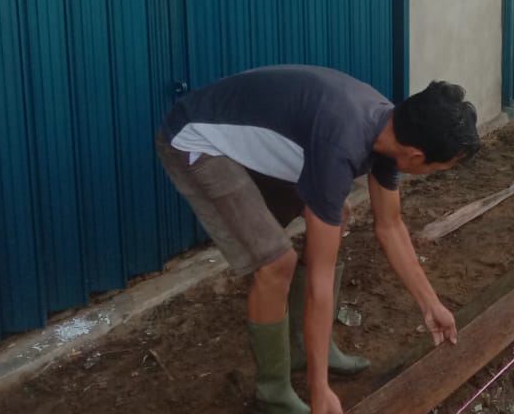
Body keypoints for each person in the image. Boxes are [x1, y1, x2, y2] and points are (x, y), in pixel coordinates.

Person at [156, 68, 480, 414]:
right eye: (439, 168)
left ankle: (303, 347)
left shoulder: (388, 129)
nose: (436, 173)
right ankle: (274, 392)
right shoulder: (342, 143)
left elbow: (390, 226)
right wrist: (319, 390)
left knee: (335, 216)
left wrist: (431, 304)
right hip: (196, 142)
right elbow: (319, 284)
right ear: (416, 156)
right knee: (274, 264)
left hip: (275, 142)